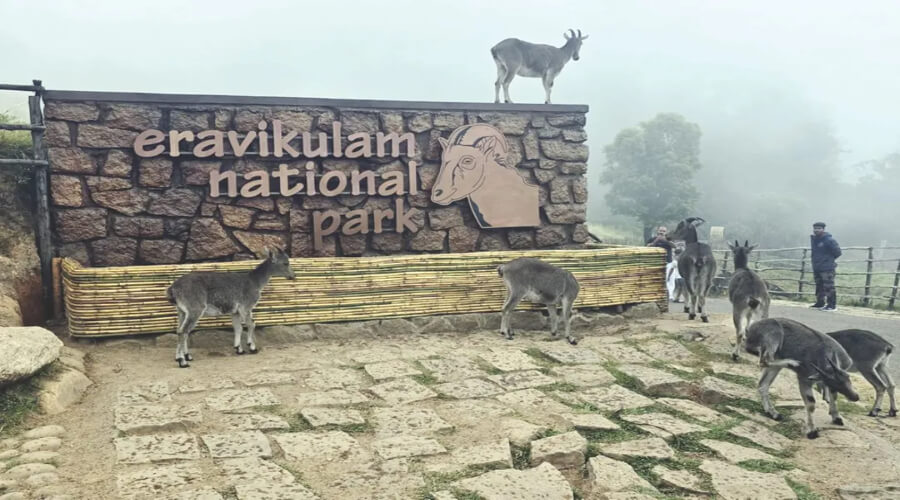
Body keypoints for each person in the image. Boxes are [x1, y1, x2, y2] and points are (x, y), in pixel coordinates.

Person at [809, 222, 842, 311]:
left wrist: (828, 260)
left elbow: (838, 252)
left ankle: (831, 305)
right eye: (815, 228)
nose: (816, 230)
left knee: (829, 287)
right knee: (819, 286)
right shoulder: (814, 240)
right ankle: (820, 303)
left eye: (819, 228)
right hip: (817, 266)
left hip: (827, 267)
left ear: (823, 229)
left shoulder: (829, 240)